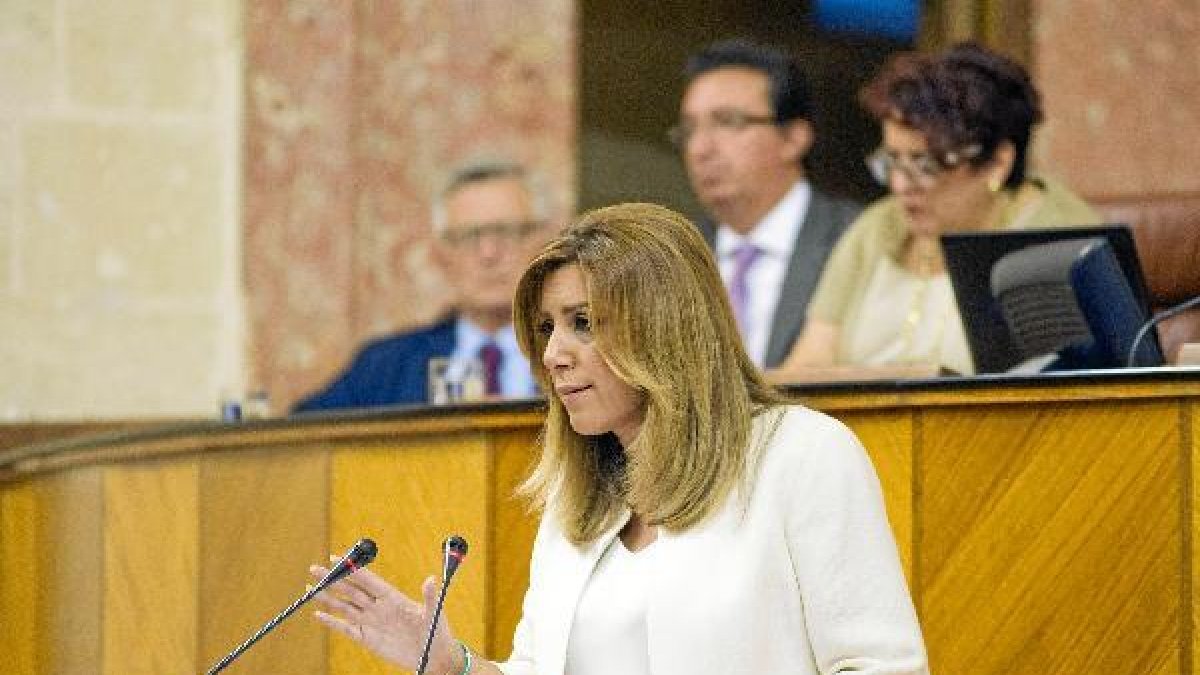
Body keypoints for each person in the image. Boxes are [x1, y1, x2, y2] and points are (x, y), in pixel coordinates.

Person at [309, 203, 928, 674]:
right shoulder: (578, 501)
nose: (553, 354)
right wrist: (454, 665)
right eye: (547, 328)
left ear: (664, 326)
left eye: (583, 324)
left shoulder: (801, 454)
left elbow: (880, 667)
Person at [772, 42, 1098, 378]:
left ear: (999, 162)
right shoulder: (877, 227)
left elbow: (1057, 398)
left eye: (925, 165)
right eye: (892, 161)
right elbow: (806, 366)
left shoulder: (1057, 240)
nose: (900, 185)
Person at [292, 160, 554, 412]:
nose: (488, 254)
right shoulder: (387, 365)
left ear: (542, 243)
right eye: (468, 237)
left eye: (506, 232)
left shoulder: (576, 354)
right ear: (441, 254)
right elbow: (302, 436)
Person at [673, 38, 861, 369]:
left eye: (728, 122)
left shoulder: (855, 239)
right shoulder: (674, 257)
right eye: (690, 129)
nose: (700, 148)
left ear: (793, 138)